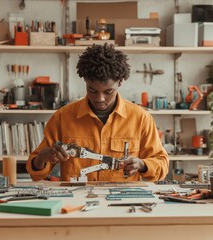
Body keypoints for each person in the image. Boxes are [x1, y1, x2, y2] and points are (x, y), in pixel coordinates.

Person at [26, 43, 169, 182]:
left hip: (121, 204)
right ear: (85, 81)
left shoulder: (141, 118)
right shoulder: (62, 117)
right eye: (92, 90)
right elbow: (35, 175)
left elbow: (162, 165)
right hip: (77, 202)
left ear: (119, 82)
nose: (99, 98)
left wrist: (142, 165)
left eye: (108, 92)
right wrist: (41, 158)